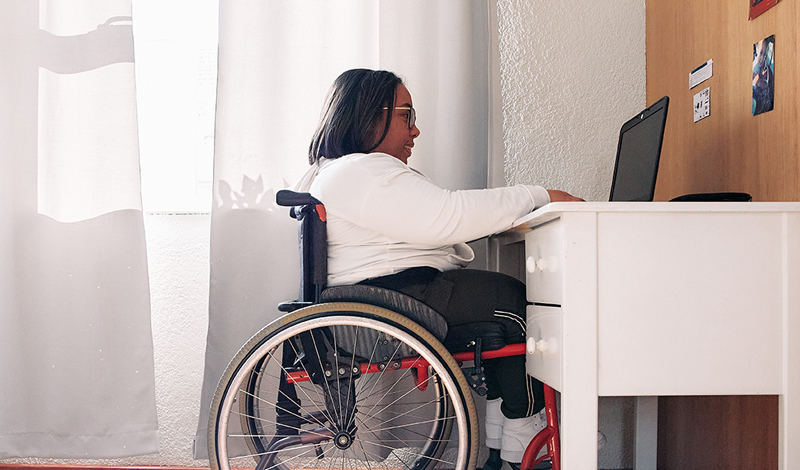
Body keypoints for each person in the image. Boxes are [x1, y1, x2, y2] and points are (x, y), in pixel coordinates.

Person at [293, 68, 583, 469]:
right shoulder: (359, 171)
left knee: (501, 302)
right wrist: (539, 195)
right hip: (395, 298)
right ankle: (527, 439)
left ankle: (508, 448)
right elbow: (447, 215)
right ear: (369, 115)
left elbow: (438, 218)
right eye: (406, 115)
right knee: (519, 306)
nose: (415, 130)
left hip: (381, 296)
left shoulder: (343, 172)